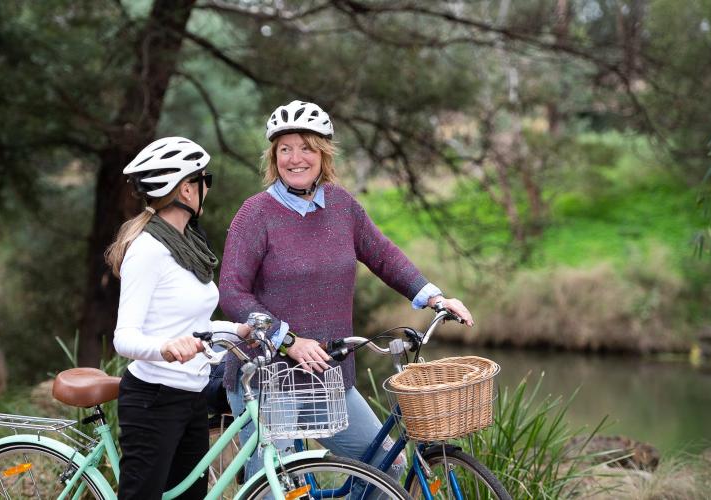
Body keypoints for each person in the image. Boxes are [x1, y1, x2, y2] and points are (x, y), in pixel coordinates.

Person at [217, 100, 474, 484]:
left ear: (323, 153)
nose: (295, 158)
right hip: (268, 381)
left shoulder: (341, 206)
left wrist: (434, 297)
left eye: (306, 147)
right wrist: (288, 339)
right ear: (274, 156)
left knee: (388, 467)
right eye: (285, 149)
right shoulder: (255, 214)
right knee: (276, 490)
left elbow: (384, 255)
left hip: (329, 378)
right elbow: (232, 293)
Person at [105, 136, 251, 500]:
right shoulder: (148, 251)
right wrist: (167, 348)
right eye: (205, 181)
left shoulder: (187, 244)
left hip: (191, 396)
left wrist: (239, 330)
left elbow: (193, 327)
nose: (207, 189)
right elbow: (124, 338)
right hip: (153, 400)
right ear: (187, 189)